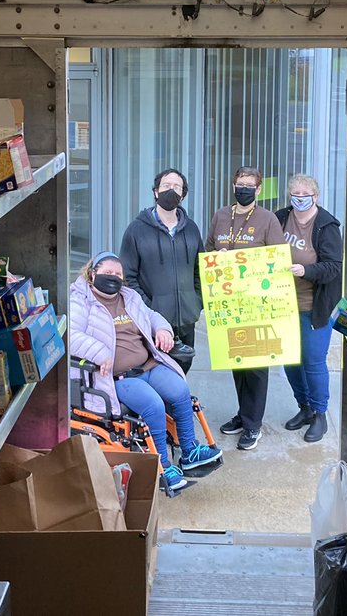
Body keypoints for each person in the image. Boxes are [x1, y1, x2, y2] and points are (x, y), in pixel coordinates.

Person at [69, 251, 222, 492]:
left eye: (117, 274)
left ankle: (190, 451)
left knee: (180, 390)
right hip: (118, 377)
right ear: (92, 273)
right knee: (154, 406)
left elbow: (151, 316)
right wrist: (99, 352)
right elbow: (72, 335)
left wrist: (163, 330)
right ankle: (161, 465)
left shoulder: (129, 297)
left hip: (148, 365)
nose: (113, 278)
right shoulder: (80, 300)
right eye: (107, 273)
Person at [205, 165, 287, 451]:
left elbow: (277, 260)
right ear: (233, 186)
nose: (244, 189)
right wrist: (218, 256)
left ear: (259, 189)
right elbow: (208, 252)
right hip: (228, 305)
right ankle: (243, 415)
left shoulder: (268, 220)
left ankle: (254, 425)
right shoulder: (220, 216)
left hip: (256, 305)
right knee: (237, 363)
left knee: (255, 367)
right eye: (240, 184)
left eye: (249, 185)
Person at [276, 174, 343, 443]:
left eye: (305, 193)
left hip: (311, 306)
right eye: (295, 193)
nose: (299, 197)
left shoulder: (326, 226)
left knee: (314, 361)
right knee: (290, 361)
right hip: (281, 305)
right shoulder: (280, 218)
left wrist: (306, 270)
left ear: (315, 197)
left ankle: (320, 415)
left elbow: (333, 267)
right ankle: (303, 407)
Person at [119, 168, 204, 373]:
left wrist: (196, 301)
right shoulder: (136, 230)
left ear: (183, 195)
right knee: (157, 373)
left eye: (177, 187)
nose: (171, 191)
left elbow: (199, 271)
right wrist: (148, 309)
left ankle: (179, 405)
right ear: (156, 191)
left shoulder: (191, 229)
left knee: (183, 369)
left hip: (186, 319)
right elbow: (128, 277)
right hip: (153, 321)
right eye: (166, 186)